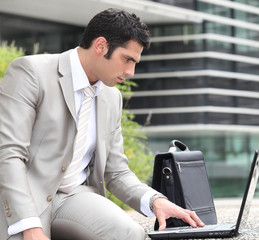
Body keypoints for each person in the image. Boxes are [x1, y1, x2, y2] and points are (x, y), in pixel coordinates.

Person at [0, 8, 204, 240]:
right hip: (23, 198)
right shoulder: (31, 73)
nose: (131, 72)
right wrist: (29, 225)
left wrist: (156, 201)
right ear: (101, 46)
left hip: (75, 197)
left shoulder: (111, 97)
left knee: (131, 234)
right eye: (127, 59)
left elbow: (116, 172)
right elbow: (8, 155)